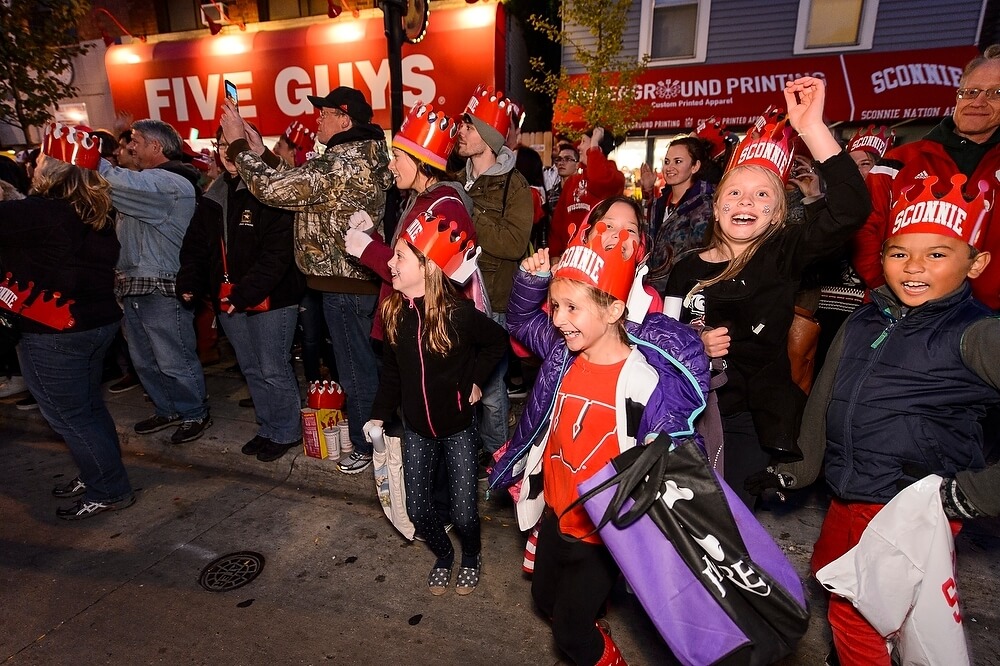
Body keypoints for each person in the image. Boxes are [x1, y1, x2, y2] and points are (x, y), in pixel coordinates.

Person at [756, 174, 1000, 666]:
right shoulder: (866, 318)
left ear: (976, 262)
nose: (913, 267)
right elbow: (825, 396)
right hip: (851, 491)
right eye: (898, 252)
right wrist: (800, 468)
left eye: (937, 254)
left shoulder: (978, 333)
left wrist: (978, 491)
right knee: (831, 572)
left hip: (911, 504)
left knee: (858, 614)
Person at [490, 197, 708, 665]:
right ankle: (588, 625)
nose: (558, 318)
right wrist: (531, 283)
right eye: (554, 305)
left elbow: (677, 431)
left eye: (571, 307)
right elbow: (524, 323)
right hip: (557, 511)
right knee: (544, 601)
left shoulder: (643, 377)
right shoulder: (563, 356)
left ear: (612, 311)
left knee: (570, 632)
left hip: (606, 531)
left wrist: (664, 443)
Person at [663, 77, 871, 509]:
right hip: (688, 413)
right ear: (717, 206)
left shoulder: (782, 254)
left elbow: (851, 208)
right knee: (680, 522)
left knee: (731, 528)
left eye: (762, 196)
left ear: (777, 215)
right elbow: (663, 334)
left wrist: (813, 129)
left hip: (747, 421)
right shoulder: (686, 269)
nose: (746, 202)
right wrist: (693, 343)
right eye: (735, 193)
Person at [220, 86, 395, 475]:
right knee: (362, 366)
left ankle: (368, 446)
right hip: (350, 282)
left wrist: (237, 148)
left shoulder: (339, 162)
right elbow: (303, 185)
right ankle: (375, 436)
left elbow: (273, 190)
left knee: (354, 370)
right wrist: (261, 153)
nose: (317, 118)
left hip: (343, 286)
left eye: (325, 113)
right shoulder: (351, 158)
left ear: (345, 120)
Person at [365, 210, 505, 596]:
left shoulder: (458, 314)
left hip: (458, 428)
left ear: (428, 268)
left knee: (463, 512)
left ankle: (472, 556)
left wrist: (475, 380)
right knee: (418, 510)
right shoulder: (393, 312)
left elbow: (497, 342)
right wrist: (378, 416)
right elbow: (391, 373)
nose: (390, 263)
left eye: (399, 257)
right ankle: (444, 557)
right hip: (415, 430)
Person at [0, 122, 134, 519]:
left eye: (42, 158)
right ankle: (99, 472)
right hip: (97, 324)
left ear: (53, 168)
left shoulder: (40, 213)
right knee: (89, 408)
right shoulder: (96, 210)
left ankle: (108, 488)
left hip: (55, 332)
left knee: (70, 416)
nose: (35, 163)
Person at [177, 126, 305, 462]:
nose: (225, 151)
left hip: (271, 297)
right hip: (229, 298)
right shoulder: (213, 194)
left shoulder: (270, 191)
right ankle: (268, 427)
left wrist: (244, 293)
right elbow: (195, 247)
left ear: (251, 148)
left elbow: (277, 255)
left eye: (234, 144)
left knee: (272, 366)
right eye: (220, 144)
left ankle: (286, 431)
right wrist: (189, 282)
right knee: (250, 367)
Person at [854, 45, 1000, 310]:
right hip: (898, 315)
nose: (978, 102)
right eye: (970, 92)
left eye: (995, 93)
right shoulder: (899, 162)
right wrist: (892, 291)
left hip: (987, 319)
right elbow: (862, 229)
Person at [99, 119, 212, 444]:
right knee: (145, 359)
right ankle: (168, 408)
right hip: (135, 284)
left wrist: (87, 157)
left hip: (161, 285)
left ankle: (194, 412)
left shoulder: (168, 182)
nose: (125, 147)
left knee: (172, 356)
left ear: (155, 147)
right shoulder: (149, 181)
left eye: (133, 140)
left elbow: (112, 183)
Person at [455, 84, 534, 464]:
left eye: (469, 128)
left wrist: (470, 217)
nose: (461, 132)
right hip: (457, 295)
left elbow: (515, 243)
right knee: (459, 378)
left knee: (490, 386)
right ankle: (464, 447)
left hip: (494, 298)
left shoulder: (514, 186)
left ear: (487, 138)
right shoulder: (458, 178)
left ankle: (498, 453)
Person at [640, 136, 716, 289]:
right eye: (667, 162)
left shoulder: (704, 205)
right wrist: (648, 191)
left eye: (678, 161)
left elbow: (699, 256)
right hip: (650, 289)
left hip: (681, 292)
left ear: (695, 166)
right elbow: (646, 234)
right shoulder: (660, 203)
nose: (669, 167)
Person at [548, 125, 625, 260]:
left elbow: (598, 181)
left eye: (584, 142)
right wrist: (554, 254)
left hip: (601, 258)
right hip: (570, 258)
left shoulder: (614, 176)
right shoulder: (572, 181)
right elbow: (558, 222)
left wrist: (594, 147)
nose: (578, 147)